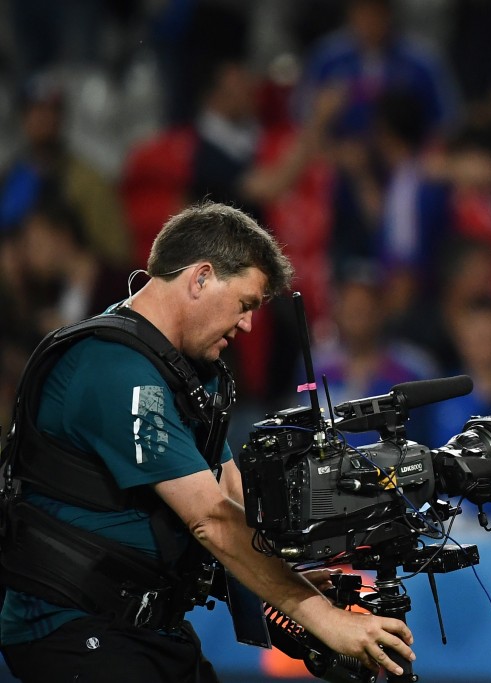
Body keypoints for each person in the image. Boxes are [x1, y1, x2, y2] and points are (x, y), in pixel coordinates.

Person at [0, 202, 415, 682]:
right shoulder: (113, 369)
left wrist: (295, 584)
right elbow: (211, 519)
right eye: (246, 304)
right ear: (200, 278)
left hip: (150, 628)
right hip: (71, 631)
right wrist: (327, 621)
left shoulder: (184, 370)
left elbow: (231, 493)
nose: (248, 326)